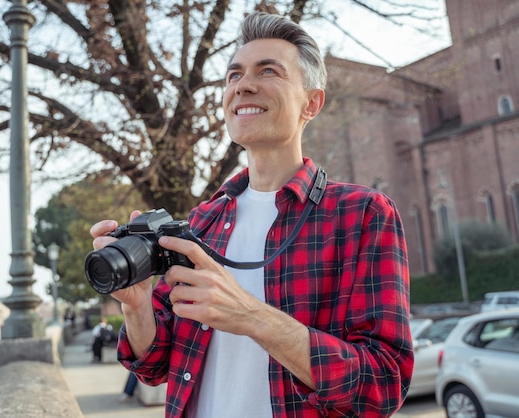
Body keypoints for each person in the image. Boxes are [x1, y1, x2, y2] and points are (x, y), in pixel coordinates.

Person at [90, 12, 413, 417]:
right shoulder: (200, 223)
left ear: (311, 103)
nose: (244, 85)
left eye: (268, 71)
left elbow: (383, 385)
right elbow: (154, 367)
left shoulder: (362, 214)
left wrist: (252, 317)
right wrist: (135, 307)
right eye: (233, 75)